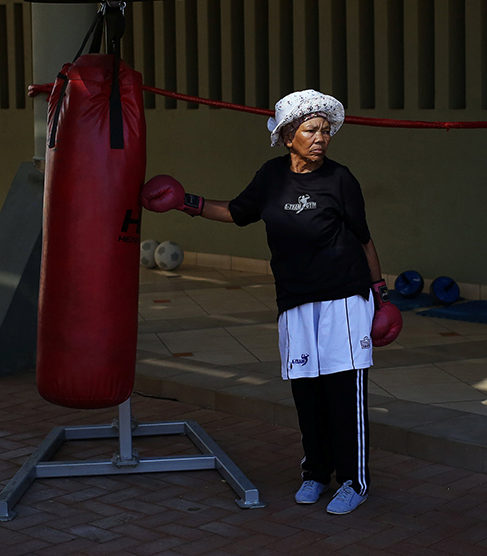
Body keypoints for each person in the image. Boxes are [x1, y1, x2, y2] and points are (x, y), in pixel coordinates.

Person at [140, 89, 401, 515]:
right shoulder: (271, 176)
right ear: (286, 136)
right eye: (310, 130)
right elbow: (237, 212)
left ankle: (354, 481)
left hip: (344, 300)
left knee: (343, 392)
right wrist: (185, 203)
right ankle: (316, 472)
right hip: (295, 301)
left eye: (325, 130)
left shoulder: (341, 179)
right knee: (306, 391)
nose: (321, 137)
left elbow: (364, 239)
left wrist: (381, 296)